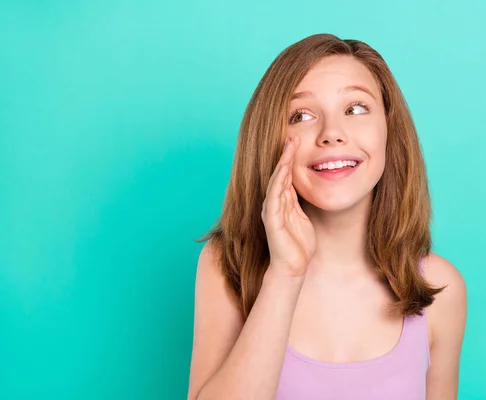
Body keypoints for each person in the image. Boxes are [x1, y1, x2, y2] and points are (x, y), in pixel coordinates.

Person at [187, 33, 467, 400]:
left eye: (355, 109)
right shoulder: (228, 266)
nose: (331, 134)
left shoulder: (441, 290)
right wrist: (285, 275)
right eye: (301, 116)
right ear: (270, 137)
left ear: (388, 128)